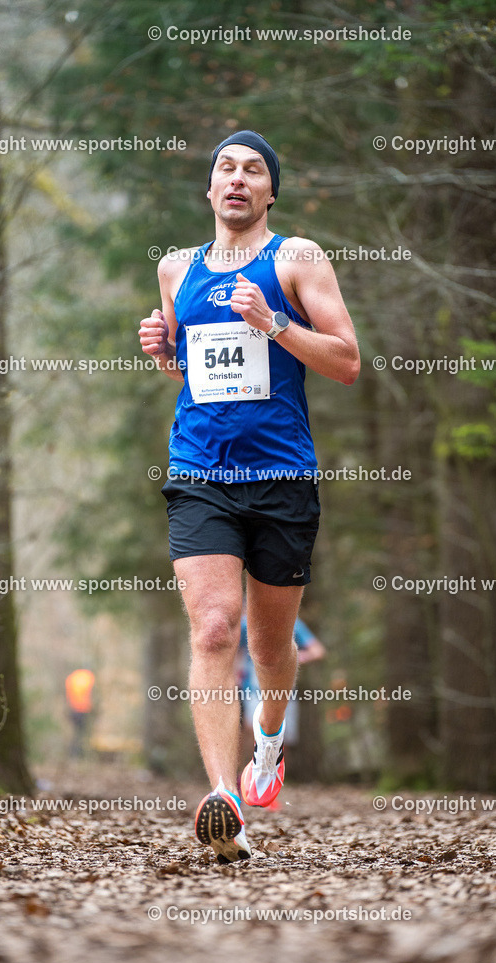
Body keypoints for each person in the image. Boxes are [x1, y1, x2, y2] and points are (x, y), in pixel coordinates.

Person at [138, 129, 359, 863]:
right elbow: (193, 372)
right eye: (225, 169)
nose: (237, 179)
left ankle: (267, 745)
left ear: (270, 192)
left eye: (253, 170)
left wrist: (275, 324)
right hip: (199, 469)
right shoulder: (175, 268)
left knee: (270, 650)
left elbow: (346, 362)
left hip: (282, 476)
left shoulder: (295, 258)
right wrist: (161, 351)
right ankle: (223, 795)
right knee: (211, 629)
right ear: (209, 190)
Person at [238, 609, 326, 772]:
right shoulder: (247, 625)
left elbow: (317, 651)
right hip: (253, 689)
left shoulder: (293, 624)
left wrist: (290, 660)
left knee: (282, 737)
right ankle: (250, 774)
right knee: (252, 729)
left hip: (284, 690)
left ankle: (273, 779)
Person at [65, 667, 95, 757]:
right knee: (82, 734)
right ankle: (80, 754)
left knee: (76, 733)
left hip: (73, 710)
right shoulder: (88, 677)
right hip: (83, 710)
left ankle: (75, 754)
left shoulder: (71, 678)